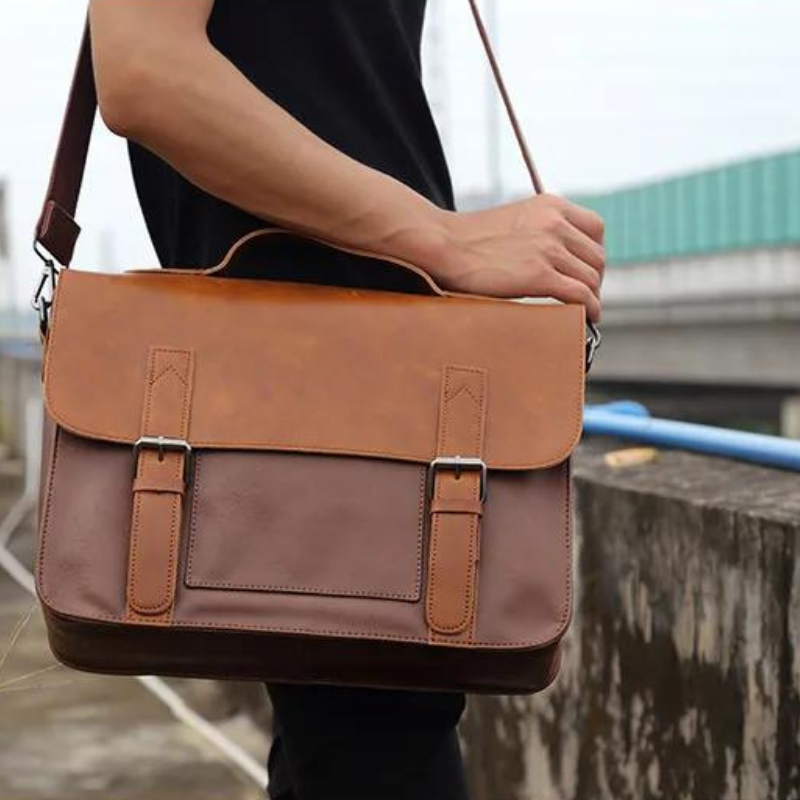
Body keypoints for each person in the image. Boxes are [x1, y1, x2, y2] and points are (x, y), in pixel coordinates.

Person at [88, 2, 605, 798]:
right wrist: (446, 239)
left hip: (386, 377)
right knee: (378, 736)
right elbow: (145, 70)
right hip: (323, 379)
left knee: (356, 738)